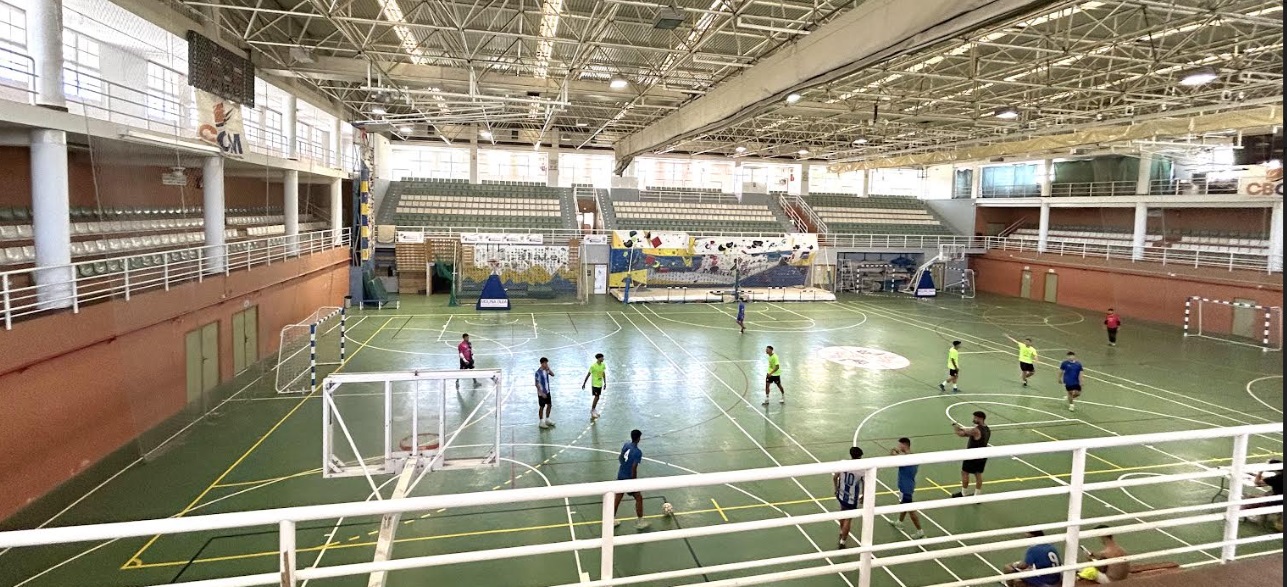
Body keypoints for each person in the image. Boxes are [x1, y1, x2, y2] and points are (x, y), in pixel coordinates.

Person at [613, 429, 649, 531]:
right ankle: (640, 521)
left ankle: (611, 519)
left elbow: (620, 458)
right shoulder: (637, 452)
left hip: (620, 475)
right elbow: (634, 467)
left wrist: (624, 466)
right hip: (629, 478)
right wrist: (634, 481)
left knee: (618, 498)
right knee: (639, 498)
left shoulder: (626, 445)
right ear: (638, 438)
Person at [889, 437, 924, 539]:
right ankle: (900, 522)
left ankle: (920, 531)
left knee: (910, 509)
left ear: (905, 445)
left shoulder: (905, 459)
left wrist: (894, 454)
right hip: (907, 485)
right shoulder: (912, 457)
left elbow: (894, 460)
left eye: (900, 445)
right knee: (903, 504)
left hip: (906, 487)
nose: (898, 446)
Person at [951, 411, 991, 497]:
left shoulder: (976, 430)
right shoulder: (987, 429)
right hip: (982, 455)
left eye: (975, 417)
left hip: (972, 455)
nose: (973, 419)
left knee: (965, 473)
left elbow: (961, 434)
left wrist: (955, 426)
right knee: (978, 474)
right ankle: (977, 494)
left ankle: (963, 493)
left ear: (980, 418)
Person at [833, 446, 864, 548]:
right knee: (848, 518)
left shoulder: (843, 463)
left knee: (842, 512)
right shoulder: (861, 469)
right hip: (852, 498)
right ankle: (843, 541)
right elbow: (865, 483)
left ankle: (841, 531)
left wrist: (836, 488)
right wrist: (863, 495)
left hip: (842, 494)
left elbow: (835, 477)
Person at [581, 353, 607, 421]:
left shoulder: (603, 365)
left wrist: (605, 382)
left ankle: (594, 409)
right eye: (602, 358)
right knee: (597, 397)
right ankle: (592, 410)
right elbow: (588, 374)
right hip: (595, 384)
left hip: (600, 384)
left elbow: (603, 373)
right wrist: (584, 383)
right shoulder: (593, 366)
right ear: (598, 358)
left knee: (598, 397)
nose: (603, 359)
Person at [535, 357, 555, 429]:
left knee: (549, 405)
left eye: (547, 363)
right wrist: (541, 393)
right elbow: (536, 384)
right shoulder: (538, 373)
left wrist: (548, 369)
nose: (546, 364)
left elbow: (553, 374)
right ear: (542, 363)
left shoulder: (546, 370)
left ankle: (547, 419)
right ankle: (541, 421)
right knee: (542, 407)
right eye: (545, 363)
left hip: (547, 391)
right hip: (541, 393)